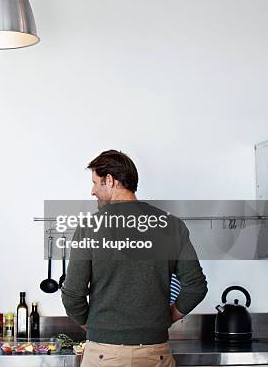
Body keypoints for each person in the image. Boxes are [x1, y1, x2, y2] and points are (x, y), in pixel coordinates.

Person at [61, 150, 208, 367]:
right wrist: (166, 319)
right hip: (155, 353)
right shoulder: (171, 226)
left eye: (95, 183)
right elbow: (195, 287)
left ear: (110, 180)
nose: (92, 191)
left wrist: (95, 326)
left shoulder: (89, 228)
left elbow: (73, 295)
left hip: (104, 355)